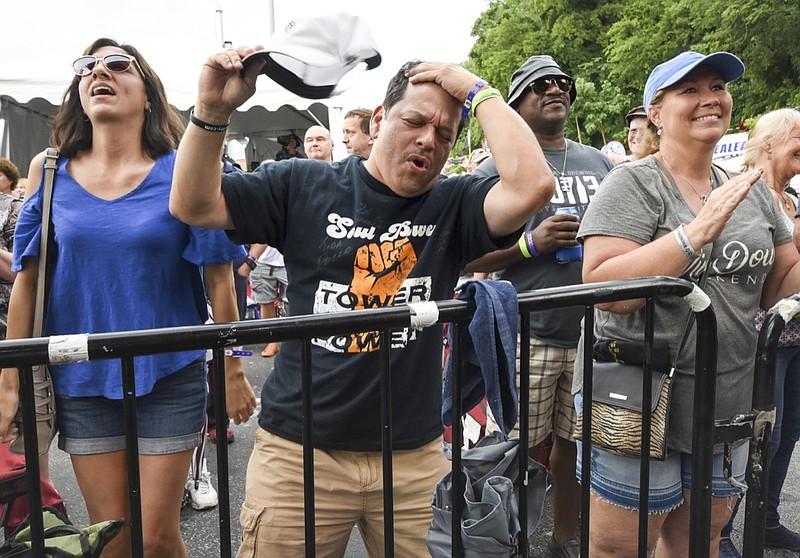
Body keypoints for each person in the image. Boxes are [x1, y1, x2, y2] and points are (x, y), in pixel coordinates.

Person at [170, 45, 554, 556]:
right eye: (415, 121)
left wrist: (478, 92)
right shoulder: (303, 183)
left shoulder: (454, 203)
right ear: (379, 119)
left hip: (414, 457)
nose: (428, 140)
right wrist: (213, 113)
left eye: (445, 133)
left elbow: (533, 185)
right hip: (300, 454)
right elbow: (192, 204)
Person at [0, 38, 257, 557]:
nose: (101, 72)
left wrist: (231, 369)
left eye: (118, 64)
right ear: (79, 92)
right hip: (83, 380)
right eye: (88, 67)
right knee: (112, 535)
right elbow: (26, 282)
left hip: (171, 376)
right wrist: (10, 382)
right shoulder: (50, 175)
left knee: (158, 534)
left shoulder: (181, 170)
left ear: (147, 94)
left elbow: (219, 277)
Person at [573, 50, 800, 557]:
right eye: (689, 90)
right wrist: (695, 233)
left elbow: (780, 284)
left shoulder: (750, 191)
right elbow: (609, 293)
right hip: (640, 401)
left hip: (726, 401)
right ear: (656, 111)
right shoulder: (631, 183)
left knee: (702, 540)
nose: (709, 100)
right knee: (620, 548)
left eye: (717, 86)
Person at [467, 53, 613, 558]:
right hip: (529, 331)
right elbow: (464, 255)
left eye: (561, 84)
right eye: (539, 86)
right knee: (519, 450)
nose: (555, 89)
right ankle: (515, 541)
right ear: (515, 105)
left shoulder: (600, 162)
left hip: (592, 335)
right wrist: (531, 244)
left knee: (574, 449)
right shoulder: (495, 168)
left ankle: (564, 540)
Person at [718, 108, 800, 558]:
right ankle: (723, 530)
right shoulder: (743, 194)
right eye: (797, 138)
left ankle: (765, 520)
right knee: (752, 438)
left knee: (786, 435)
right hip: (759, 339)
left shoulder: (792, 199)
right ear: (767, 144)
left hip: (795, 336)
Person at [242, 243, 288, 357]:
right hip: (260, 261)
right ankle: (272, 341)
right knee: (265, 302)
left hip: (290, 259)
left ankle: (292, 343)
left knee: (294, 302)